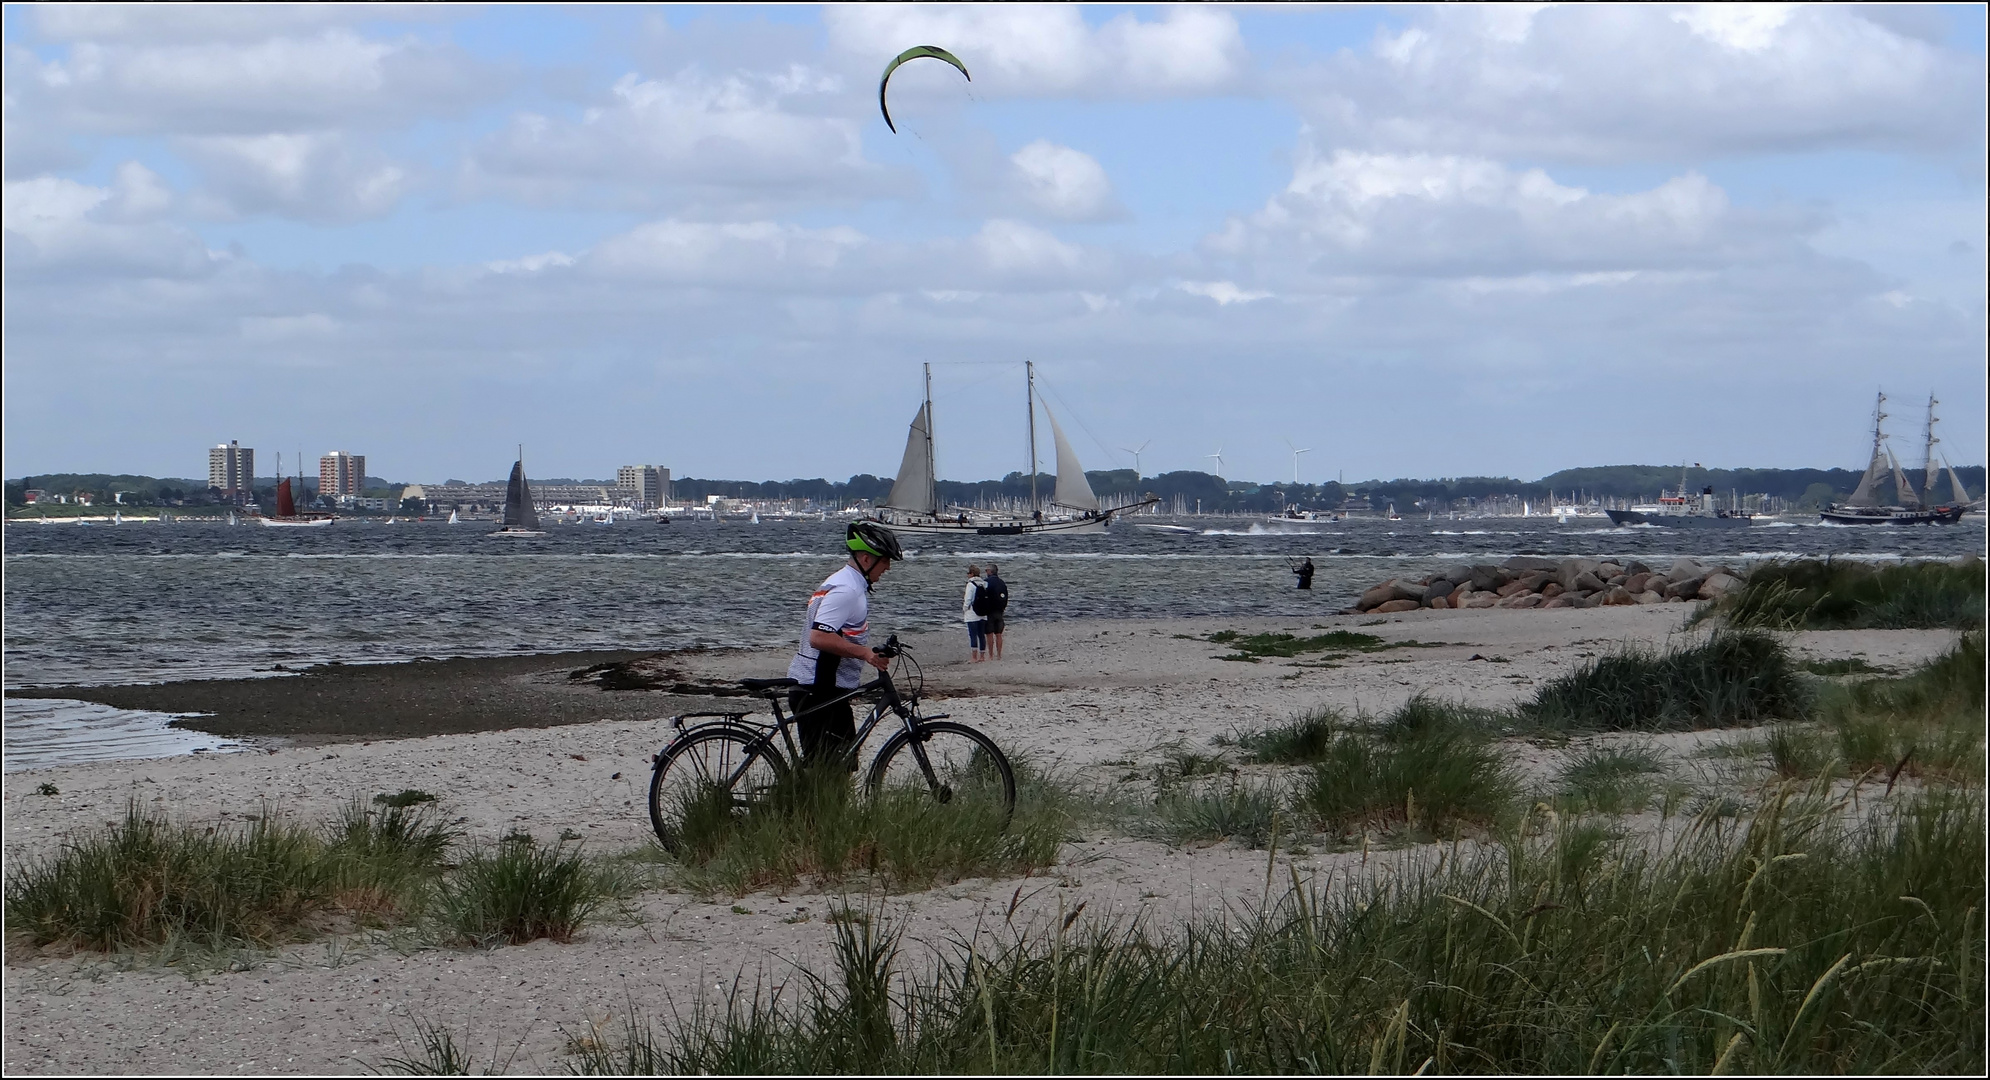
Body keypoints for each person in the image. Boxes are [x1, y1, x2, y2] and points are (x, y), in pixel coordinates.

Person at [786, 521, 901, 765]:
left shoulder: (847, 584)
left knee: (841, 768)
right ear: (867, 559)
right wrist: (864, 654)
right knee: (827, 775)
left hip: (826, 689)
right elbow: (819, 638)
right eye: (885, 560)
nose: (888, 567)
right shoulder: (846, 589)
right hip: (817, 689)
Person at [981, 562, 1009, 659]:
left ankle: (991, 655)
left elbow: (982, 596)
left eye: (986, 570)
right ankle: (999, 655)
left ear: (990, 571)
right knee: (998, 634)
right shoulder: (1002, 582)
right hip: (1000, 610)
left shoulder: (986, 582)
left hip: (990, 611)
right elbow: (1006, 596)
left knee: (989, 634)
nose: (985, 572)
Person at [962, 563, 988, 661]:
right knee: (981, 635)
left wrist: (964, 609)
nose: (967, 574)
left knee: (973, 635)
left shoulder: (970, 585)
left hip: (972, 613)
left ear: (972, 574)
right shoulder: (984, 584)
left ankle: (974, 657)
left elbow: (968, 599)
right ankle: (982, 656)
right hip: (983, 613)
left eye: (968, 573)